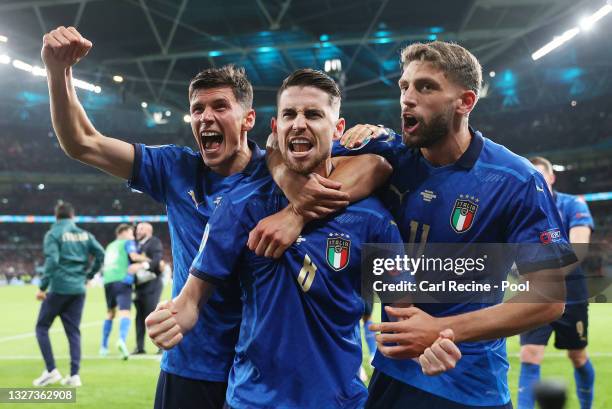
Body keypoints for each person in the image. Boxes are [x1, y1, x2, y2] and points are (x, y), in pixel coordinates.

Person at [42, 26, 391, 409]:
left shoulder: (277, 172)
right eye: (197, 110)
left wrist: (295, 204)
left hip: (258, 367)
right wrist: (58, 72)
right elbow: (82, 143)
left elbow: (374, 163)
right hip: (191, 359)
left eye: (220, 107)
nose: (206, 117)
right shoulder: (175, 169)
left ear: (249, 120)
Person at [147, 69, 462, 409]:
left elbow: (403, 314)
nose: (299, 124)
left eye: (313, 114)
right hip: (250, 401)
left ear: (338, 129)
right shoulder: (239, 207)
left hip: (339, 402)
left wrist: (427, 345)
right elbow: (192, 298)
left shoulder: (374, 221)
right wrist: (175, 315)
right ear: (276, 129)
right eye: (289, 115)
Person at [330, 41, 577, 408]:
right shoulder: (390, 156)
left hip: (471, 386)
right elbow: (282, 157)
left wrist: (438, 330)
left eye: (426, 86)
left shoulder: (515, 178)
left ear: (465, 102)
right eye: (404, 86)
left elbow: (549, 300)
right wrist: (293, 213)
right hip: (393, 376)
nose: (408, 98)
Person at [518, 156, 595, 409]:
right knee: (530, 355)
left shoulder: (573, 204)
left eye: (541, 175)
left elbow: (579, 249)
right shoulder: (522, 209)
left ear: (552, 177)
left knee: (577, 356)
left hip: (571, 293)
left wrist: (541, 274)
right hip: (535, 293)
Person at [33, 202, 104, 387]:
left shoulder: (53, 234)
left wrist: (42, 287)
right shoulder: (84, 234)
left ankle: (51, 371)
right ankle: (74, 376)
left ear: (56, 217)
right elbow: (100, 254)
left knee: (41, 327)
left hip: (59, 287)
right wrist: (88, 275)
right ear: (73, 217)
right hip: (78, 289)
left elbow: (52, 260)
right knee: (73, 332)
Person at [100, 223, 140, 360]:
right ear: (122, 232)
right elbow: (134, 257)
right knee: (125, 312)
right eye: (130, 233)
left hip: (108, 281)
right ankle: (121, 340)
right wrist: (147, 260)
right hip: (122, 279)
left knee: (110, 313)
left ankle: (103, 346)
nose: (132, 236)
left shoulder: (110, 246)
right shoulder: (127, 242)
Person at [130, 222, 164, 355]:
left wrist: (141, 265)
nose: (138, 231)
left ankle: (162, 346)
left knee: (152, 315)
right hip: (139, 285)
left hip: (152, 283)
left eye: (141, 229)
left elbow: (157, 260)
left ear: (149, 230)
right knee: (139, 317)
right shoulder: (136, 244)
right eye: (137, 229)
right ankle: (139, 347)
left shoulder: (154, 242)